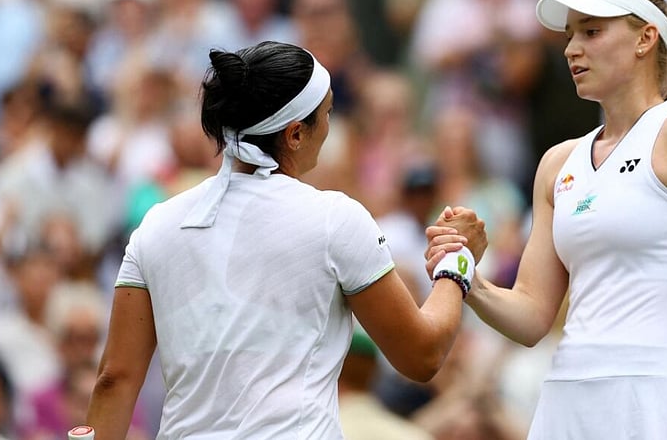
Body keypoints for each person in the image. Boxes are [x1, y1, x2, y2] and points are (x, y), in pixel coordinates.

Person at [426, 0, 667, 439]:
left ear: (645, 38)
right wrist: (465, 276)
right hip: (563, 402)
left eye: (592, 31)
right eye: (570, 35)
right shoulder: (557, 163)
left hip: (656, 400)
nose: (572, 48)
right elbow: (534, 316)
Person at [83, 41, 479, 439]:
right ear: (294, 134)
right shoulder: (335, 219)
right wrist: (456, 263)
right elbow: (421, 356)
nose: (330, 128)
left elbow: (115, 380)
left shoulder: (156, 225)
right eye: (326, 114)